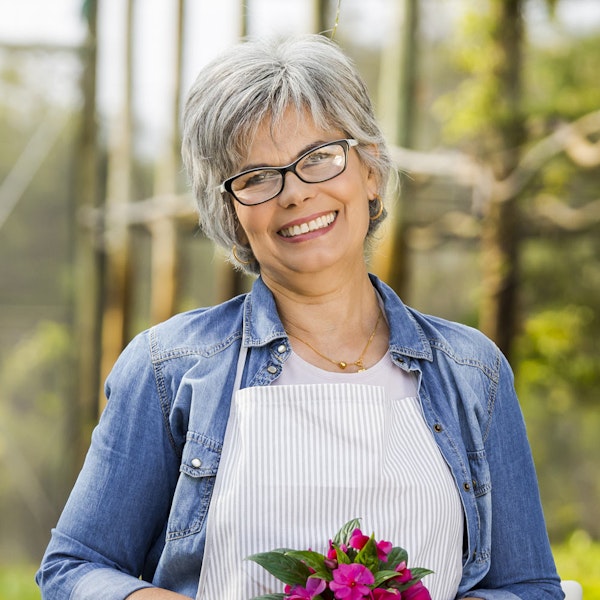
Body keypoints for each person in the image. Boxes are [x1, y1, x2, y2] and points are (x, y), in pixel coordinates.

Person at [36, 34, 564, 600]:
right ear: (233, 215)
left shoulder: (471, 371)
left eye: (319, 157)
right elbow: (73, 569)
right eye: (258, 177)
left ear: (371, 172)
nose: (294, 194)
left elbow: (528, 585)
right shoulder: (168, 369)